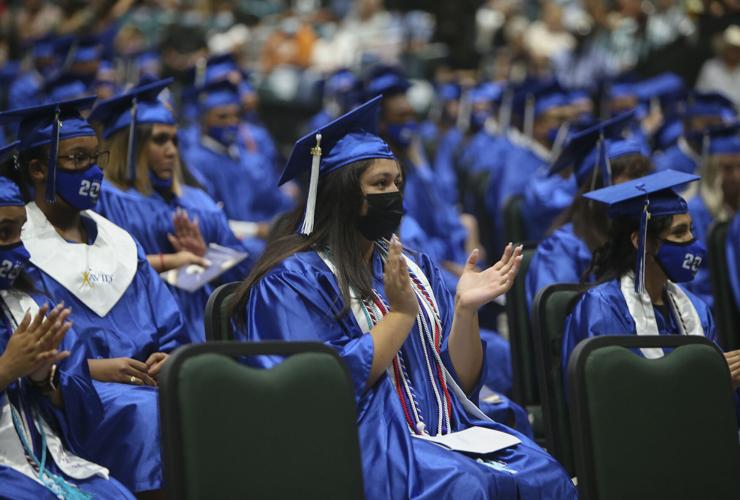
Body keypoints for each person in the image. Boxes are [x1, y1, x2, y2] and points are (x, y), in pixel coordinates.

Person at [231, 96, 577, 499]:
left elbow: (459, 380)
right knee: (468, 487)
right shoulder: (292, 282)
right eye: (379, 185)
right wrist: (399, 316)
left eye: (397, 183)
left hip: (447, 429)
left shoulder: (414, 266)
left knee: (544, 473)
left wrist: (465, 311)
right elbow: (314, 388)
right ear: (343, 196)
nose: (393, 194)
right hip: (366, 441)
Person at [0, 96, 194, 495]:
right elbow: (36, 356)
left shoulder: (120, 242)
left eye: (94, 158)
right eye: (76, 159)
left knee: (203, 396)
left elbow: (170, 325)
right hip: (80, 393)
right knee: (148, 415)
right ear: (38, 169)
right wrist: (94, 370)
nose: (91, 171)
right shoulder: (19, 248)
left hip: (144, 382)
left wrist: (170, 359)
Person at [0, 143, 133, 499]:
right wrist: (7, 370)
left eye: (20, 232)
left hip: (49, 462)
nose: (20, 250)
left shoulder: (26, 306)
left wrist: (45, 379)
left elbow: (78, 411)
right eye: (4, 233)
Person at [89, 78, 256, 341]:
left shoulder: (198, 203)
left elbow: (245, 274)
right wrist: (167, 263)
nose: (171, 151)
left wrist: (206, 257)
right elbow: (93, 271)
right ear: (129, 146)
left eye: (175, 141)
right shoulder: (104, 200)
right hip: (137, 330)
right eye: (160, 140)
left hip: (202, 327)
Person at [561, 170, 740, 415]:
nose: (692, 243)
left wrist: (723, 384)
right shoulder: (601, 309)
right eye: (679, 233)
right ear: (641, 241)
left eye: (691, 230)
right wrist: (701, 384)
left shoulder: (696, 311)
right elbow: (604, 405)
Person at [526, 112, 654, 308]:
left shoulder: (647, 238)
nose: (643, 186)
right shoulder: (561, 250)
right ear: (597, 186)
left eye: (645, 175)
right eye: (633, 176)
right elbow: (557, 323)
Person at [181, 79, 293, 238]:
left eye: (236, 116)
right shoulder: (195, 163)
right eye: (222, 116)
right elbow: (203, 219)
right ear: (204, 120)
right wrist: (255, 230)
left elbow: (276, 201)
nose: (231, 122)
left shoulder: (248, 158)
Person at [685, 125, 740, 307]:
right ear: (711, 170)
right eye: (727, 168)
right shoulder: (696, 212)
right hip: (716, 312)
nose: (737, 176)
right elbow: (694, 278)